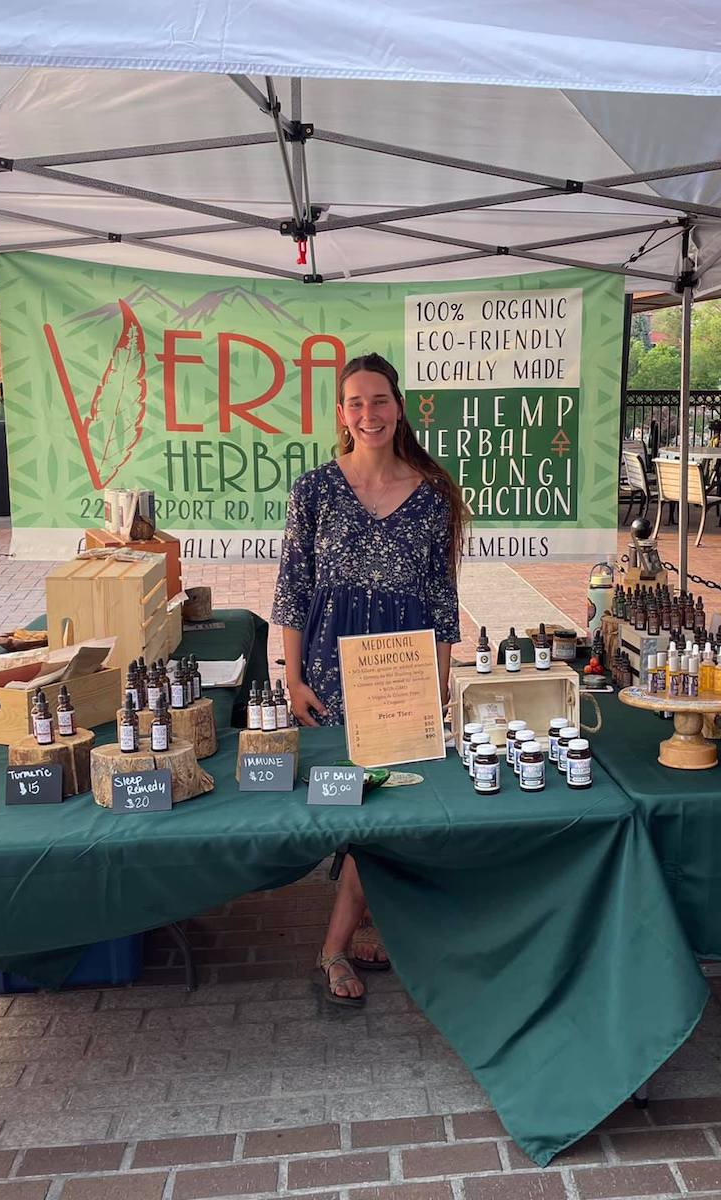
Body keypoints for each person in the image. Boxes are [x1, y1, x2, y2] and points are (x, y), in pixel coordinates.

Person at [272, 352, 465, 1004]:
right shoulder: (314, 491)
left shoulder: (433, 492)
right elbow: (293, 593)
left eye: (378, 400)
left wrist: (440, 682)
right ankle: (360, 926)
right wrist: (293, 678)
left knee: (389, 800)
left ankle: (335, 944)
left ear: (398, 406)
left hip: (402, 667)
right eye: (355, 403)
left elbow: (442, 597)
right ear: (341, 413)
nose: (368, 414)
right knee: (350, 797)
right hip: (331, 661)